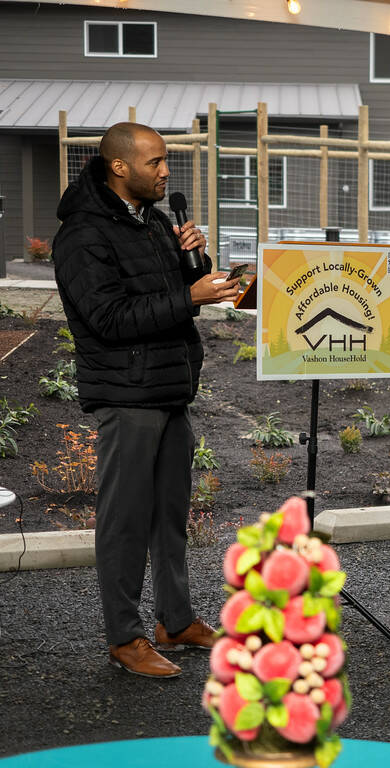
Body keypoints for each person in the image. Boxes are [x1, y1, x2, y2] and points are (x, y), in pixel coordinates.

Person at [52, 122, 242, 678]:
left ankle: (175, 620)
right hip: (126, 394)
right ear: (119, 167)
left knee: (169, 518)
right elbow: (109, 320)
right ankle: (124, 636)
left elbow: (170, 299)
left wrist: (193, 264)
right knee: (125, 522)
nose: (165, 172)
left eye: (165, 162)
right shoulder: (83, 235)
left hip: (169, 391)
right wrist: (189, 294)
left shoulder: (154, 222)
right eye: (155, 162)